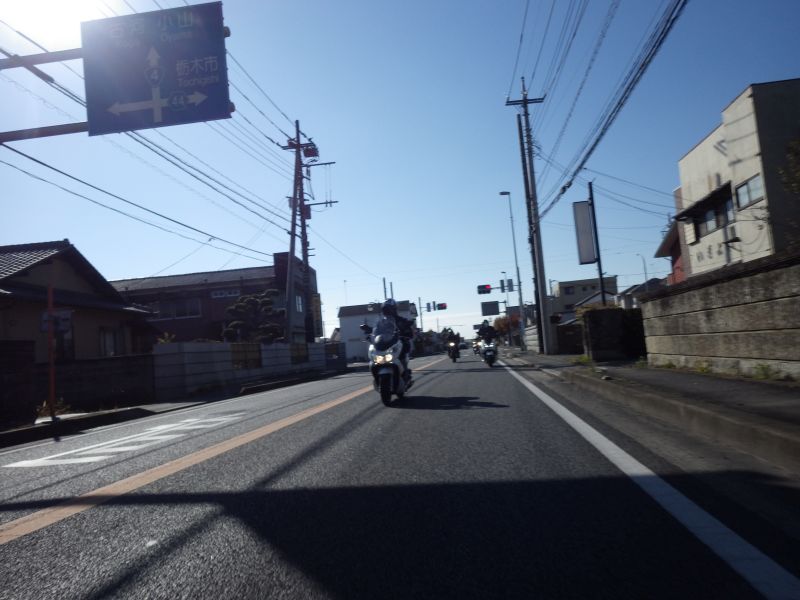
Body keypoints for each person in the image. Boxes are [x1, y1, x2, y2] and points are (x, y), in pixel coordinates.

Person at [361, 299, 415, 381]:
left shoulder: (401, 320)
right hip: (386, 344)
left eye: (389, 309)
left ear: (394, 309)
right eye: (385, 309)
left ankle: (405, 372)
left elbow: (409, 330)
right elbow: (375, 330)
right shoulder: (381, 322)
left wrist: (406, 331)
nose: (387, 311)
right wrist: (369, 330)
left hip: (397, 343)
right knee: (374, 355)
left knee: (404, 347)